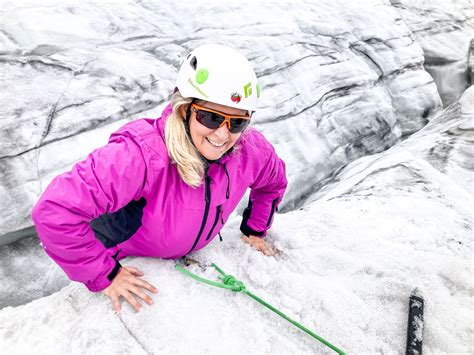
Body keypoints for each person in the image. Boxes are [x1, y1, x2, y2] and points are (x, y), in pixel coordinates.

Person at [31, 43, 288, 314]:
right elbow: (54, 211)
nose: (223, 135)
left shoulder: (250, 150)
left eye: (237, 122)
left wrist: (255, 230)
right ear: (184, 110)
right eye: (211, 117)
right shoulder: (141, 157)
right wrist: (105, 274)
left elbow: (273, 183)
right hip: (125, 262)